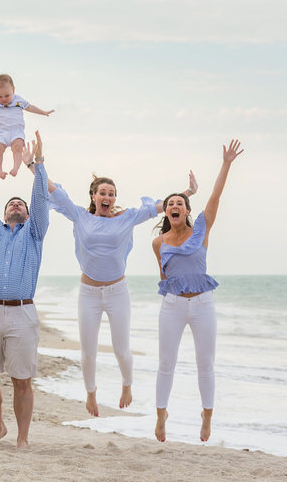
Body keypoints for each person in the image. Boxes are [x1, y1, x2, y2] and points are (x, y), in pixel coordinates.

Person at [47, 166, 196, 417]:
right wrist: (34, 166)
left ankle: (127, 385)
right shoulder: (80, 216)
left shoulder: (127, 217)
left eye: (112, 193)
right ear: (94, 196)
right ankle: (91, 393)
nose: (107, 197)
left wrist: (189, 191)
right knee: (88, 352)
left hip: (117, 291)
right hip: (88, 293)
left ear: (114, 199)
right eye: (103, 192)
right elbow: (55, 192)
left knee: (121, 349)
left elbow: (164, 207)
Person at [152, 140, 242, 443]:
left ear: (187, 210)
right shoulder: (158, 242)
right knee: (166, 362)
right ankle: (161, 414)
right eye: (171, 204)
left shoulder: (202, 228)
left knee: (206, 362)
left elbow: (215, 196)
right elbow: (164, 277)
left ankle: (207, 415)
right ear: (166, 211)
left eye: (180, 203)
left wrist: (226, 163)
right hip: (173, 306)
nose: (175, 206)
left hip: (203, 305)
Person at [0, 131, 49, 448]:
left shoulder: (35, 233)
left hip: (22, 311)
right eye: (11, 203)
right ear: (4, 213)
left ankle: (23, 438)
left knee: (22, 380)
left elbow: (42, 199)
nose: (16, 204)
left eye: (21, 203)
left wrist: (40, 163)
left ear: (29, 215)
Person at [0, 74, 54, 179]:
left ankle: (15, 168)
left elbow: (30, 107)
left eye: (7, 96)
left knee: (17, 148)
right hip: (2, 133)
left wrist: (43, 112)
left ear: (13, 90)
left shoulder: (18, 100)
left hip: (16, 132)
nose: (3, 99)